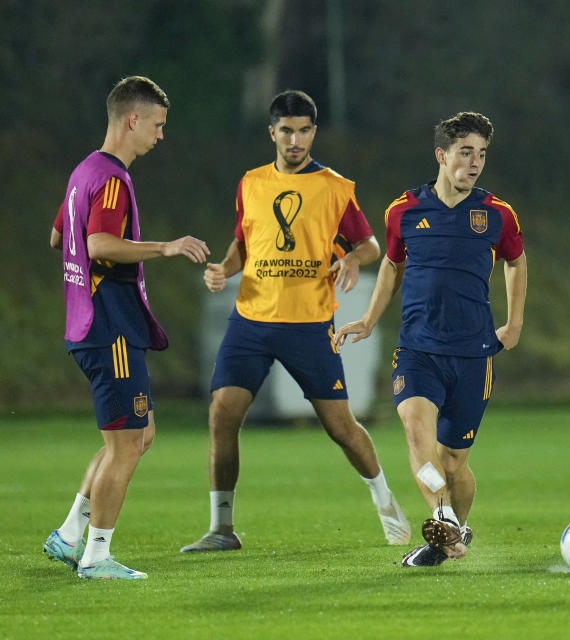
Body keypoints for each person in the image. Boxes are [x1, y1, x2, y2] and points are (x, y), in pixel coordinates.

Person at [180, 90, 410, 553]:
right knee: (222, 414)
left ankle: (386, 503)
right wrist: (224, 270)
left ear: (314, 132)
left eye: (304, 130)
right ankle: (222, 529)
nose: (296, 139)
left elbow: (369, 246)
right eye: (287, 130)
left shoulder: (334, 186)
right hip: (250, 321)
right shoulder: (251, 183)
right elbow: (245, 242)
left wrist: (351, 262)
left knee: (341, 427)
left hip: (308, 325)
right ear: (272, 133)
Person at [334, 112, 527, 567]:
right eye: (465, 152)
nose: (475, 162)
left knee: (454, 462)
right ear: (441, 155)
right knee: (416, 433)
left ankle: (447, 537)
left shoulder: (497, 214)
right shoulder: (403, 210)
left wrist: (514, 323)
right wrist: (367, 318)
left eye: (481, 154)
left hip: (474, 354)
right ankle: (442, 518)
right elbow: (391, 266)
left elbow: (516, 262)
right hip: (418, 351)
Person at [44, 76, 210, 579]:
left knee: (141, 434)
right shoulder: (113, 178)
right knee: (127, 444)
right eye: (157, 126)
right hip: (110, 326)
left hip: (87, 322)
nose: (160, 136)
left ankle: (71, 533)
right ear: (132, 120)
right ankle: (95, 556)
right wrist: (165, 247)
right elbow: (97, 244)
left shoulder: (84, 172)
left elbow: (59, 238)